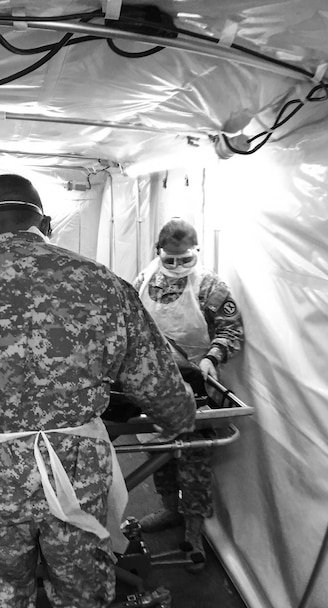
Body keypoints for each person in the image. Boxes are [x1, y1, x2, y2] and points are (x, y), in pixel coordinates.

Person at [0, 174, 197, 608]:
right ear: (45, 223)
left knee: (2, 600)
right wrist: (182, 420)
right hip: (78, 471)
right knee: (82, 597)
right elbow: (162, 390)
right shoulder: (103, 284)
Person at [132, 217, 244, 572]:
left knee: (193, 458)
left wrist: (213, 358)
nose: (178, 267)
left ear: (195, 252)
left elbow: (231, 331)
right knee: (158, 451)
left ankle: (194, 530)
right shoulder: (144, 279)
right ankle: (169, 508)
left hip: (196, 381)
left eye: (185, 260)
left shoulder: (209, 286)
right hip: (154, 381)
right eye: (170, 261)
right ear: (158, 253)